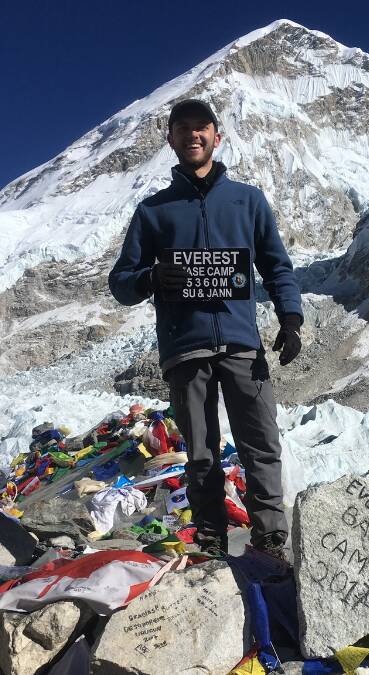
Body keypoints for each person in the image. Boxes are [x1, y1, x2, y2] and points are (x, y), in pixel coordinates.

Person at [109, 98, 304, 562]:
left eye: (202, 128)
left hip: (241, 344)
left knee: (261, 443)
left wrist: (291, 317)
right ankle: (212, 537)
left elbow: (276, 265)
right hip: (185, 348)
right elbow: (121, 283)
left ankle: (270, 538)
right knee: (200, 453)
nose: (193, 135)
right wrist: (151, 277)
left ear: (217, 136)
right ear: (170, 139)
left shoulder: (248, 200)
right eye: (183, 129)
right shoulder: (153, 212)